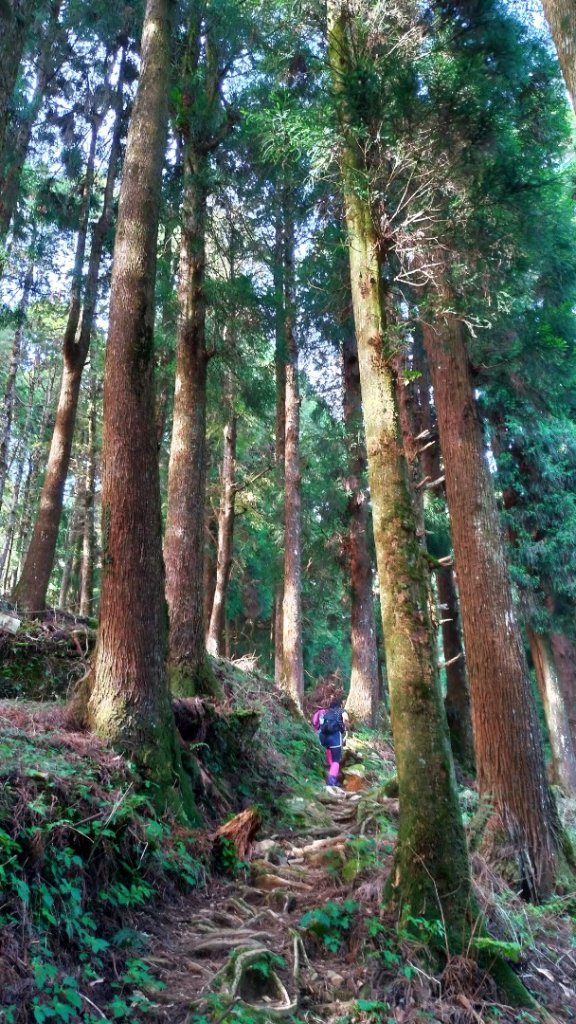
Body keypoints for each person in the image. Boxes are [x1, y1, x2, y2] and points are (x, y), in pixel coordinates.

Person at [313, 697, 347, 787]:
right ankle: (332, 780)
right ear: (340, 704)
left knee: (329, 749)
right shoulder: (341, 711)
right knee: (336, 760)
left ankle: (329, 767)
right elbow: (346, 719)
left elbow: (320, 723)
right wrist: (345, 726)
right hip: (334, 736)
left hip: (323, 736)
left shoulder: (326, 712)